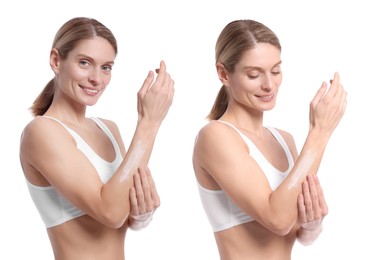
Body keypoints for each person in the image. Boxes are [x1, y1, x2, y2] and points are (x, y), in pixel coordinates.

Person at [19, 17, 174, 260]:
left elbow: (122, 214)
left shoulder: (108, 130)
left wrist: (142, 214)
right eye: (84, 63)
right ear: (56, 60)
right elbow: (110, 212)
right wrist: (149, 122)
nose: (96, 79)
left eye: (106, 67)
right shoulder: (41, 132)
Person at [192, 19, 347, 260]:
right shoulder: (215, 136)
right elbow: (278, 219)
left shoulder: (284, 140)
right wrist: (320, 132)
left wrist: (312, 225)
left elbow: (294, 231)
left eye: (275, 71)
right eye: (254, 75)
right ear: (224, 74)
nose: (269, 84)